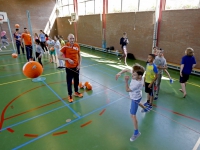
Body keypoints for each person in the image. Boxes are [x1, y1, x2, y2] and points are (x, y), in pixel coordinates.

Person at [116, 63, 149, 142]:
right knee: (139, 102)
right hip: (138, 96)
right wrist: (119, 73)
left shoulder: (137, 84)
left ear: (139, 76)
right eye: (133, 73)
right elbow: (127, 69)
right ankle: (145, 109)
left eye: (134, 75)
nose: (132, 76)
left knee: (132, 115)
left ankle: (136, 132)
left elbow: (127, 90)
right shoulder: (138, 74)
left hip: (135, 98)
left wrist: (126, 81)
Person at [58, 34, 83, 103]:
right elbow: (59, 57)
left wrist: (79, 65)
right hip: (69, 68)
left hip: (76, 67)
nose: (72, 40)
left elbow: (80, 56)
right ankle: (70, 95)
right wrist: (67, 59)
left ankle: (76, 92)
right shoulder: (65, 47)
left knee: (76, 81)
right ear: (68, 39)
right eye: (71, 38)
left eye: (73, 38)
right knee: (69, 82)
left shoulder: (77, 46)